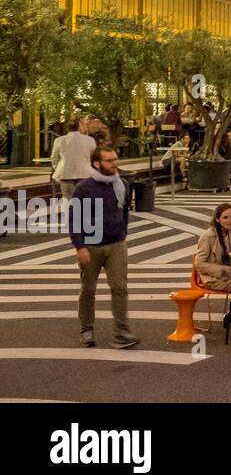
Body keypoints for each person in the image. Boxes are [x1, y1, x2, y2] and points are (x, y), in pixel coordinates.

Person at [69, 145, 138, 349]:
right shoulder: (83, 188)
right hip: (91, 246)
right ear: (97, 164)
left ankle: (121, 332)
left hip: (116, 244)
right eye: (109, 160)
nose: (115, 163)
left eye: (116, 159)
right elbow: (74, 219)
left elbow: (124, 211)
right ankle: (86, 329)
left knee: (120, 288)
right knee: (88, 289)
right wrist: (80, 246)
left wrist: (122, 234)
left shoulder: (123, 184)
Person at [194, 203, 231, 293]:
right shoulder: (207, 236)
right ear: (217, 219)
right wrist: (222, 269)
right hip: (212, 279)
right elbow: (199, 264)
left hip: (228, 276)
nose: (230, 220)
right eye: (225, 217)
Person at [55, 121, 97, 199]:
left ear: (67, 129)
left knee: (68, 198)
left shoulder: (59, 140)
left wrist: (56, 167)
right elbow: (94, 156)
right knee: (85, 198)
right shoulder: (90, 140)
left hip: (65, 173)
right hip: (85, 172)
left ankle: (71, 211)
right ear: (79, 128)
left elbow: (54, 157)